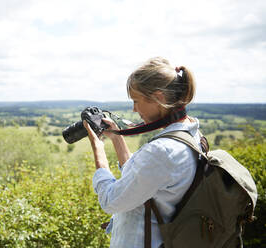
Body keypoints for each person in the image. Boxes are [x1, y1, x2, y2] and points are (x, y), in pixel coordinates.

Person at [83, 57, 201, 248]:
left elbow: (110, 201)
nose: (134, 109)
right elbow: (141, 177)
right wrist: (116, 137)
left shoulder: (162, 151)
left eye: (136, 101)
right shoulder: (190, 135)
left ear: (159, 98)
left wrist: (98, 149)